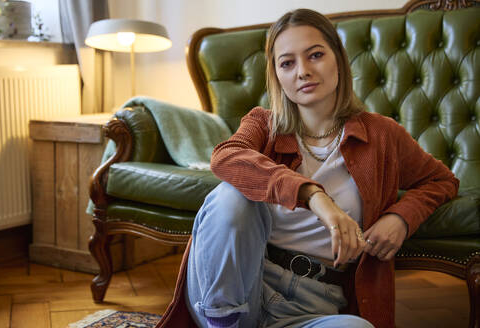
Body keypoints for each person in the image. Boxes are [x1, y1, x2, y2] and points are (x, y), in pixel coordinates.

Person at [156, 8, 459, 328]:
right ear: (277, 75)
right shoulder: (263, 123)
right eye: (287, 63)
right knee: (232, 195)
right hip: (240, 288)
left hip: (315, 303)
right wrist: (314, 196)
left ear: (338, 60)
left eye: (315, 55)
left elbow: (441, 180)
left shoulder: (381, 135)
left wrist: (400, 217)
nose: (303, 71)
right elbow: (226, 156)